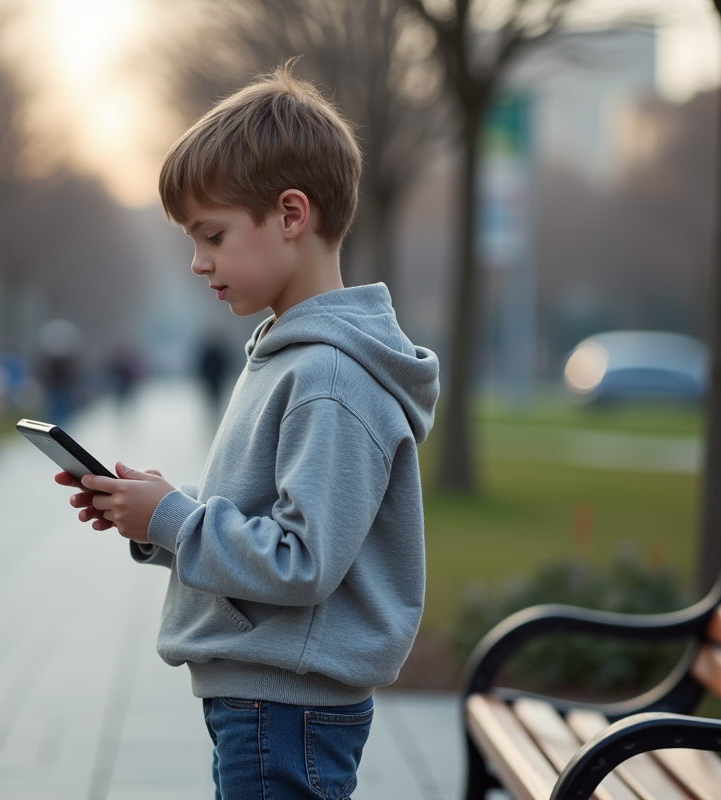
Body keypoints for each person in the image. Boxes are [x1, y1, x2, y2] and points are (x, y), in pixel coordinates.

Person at [56, 64, 439, 800]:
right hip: (269, 697)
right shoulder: (292, 355)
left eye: (213, 236)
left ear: (291, 215)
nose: (199, 263)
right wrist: (153, 513)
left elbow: (301, 560)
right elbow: (274, 517)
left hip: (285, 707)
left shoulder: (328, 376)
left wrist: (175, 521)